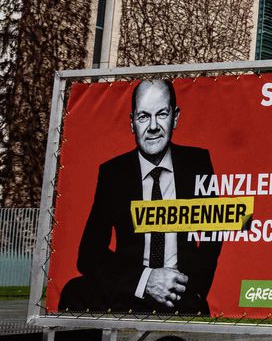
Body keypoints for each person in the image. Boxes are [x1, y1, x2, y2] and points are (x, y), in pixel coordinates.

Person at [59, 79, 222, 315]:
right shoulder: (114, 173)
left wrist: (193, 288)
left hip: (179, 292)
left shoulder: (197, 163)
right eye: (144, 116)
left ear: (175, 117)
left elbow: (214, 232)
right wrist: (145, 280)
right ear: (132, 123)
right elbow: (89, 254)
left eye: (162, 114)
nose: (153, 126)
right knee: (73, 291)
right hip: (130, 287)